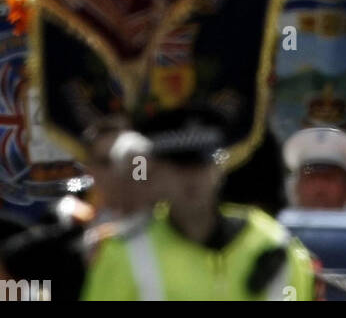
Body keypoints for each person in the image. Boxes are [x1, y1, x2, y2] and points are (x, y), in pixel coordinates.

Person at [82, 110, 315, 301]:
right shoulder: (125, 252)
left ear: (219, 170)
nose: (191, 178)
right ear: (157, 174)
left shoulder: (275, 245)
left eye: (200, 164)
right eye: (177, 166)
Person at [281, 127, 346, 211]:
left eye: (330, 177)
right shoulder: (276, 223)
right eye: (311, 178)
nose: (320, 184)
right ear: (296, 188)